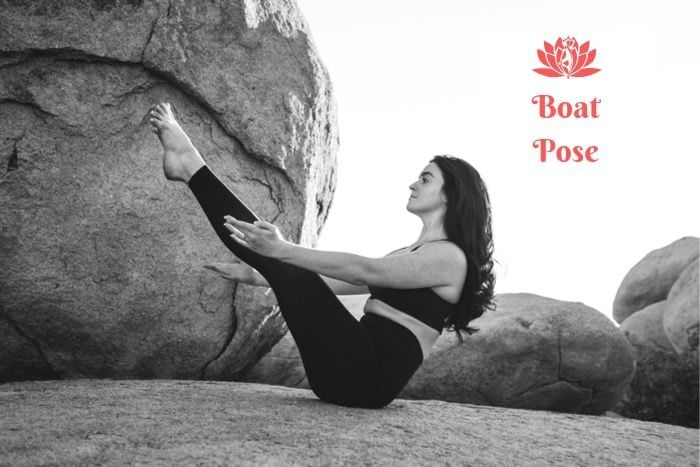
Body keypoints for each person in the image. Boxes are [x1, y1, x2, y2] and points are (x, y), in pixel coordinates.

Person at [147, 102, 495, 409]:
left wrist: (282, 252)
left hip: (367, 375)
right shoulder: (410, 253)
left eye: (425, 178)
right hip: (342, 374)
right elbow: (334, 283)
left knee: (278, 253)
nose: (413, 184)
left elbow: (362, 271)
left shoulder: (451, 258)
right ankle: (189, 168)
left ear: (451, 194)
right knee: (282, 260)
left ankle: (190, 166)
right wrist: (258, 274)